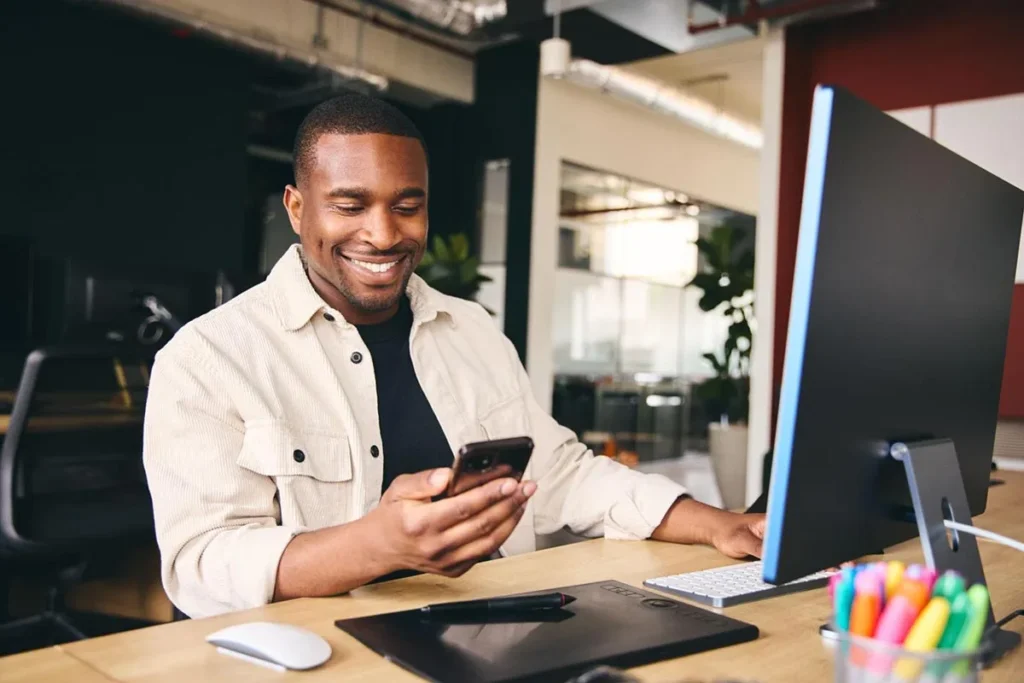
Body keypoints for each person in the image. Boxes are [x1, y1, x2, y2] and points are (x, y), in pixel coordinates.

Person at [143, 93, 766, 619]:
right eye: (350, 205)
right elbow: (199, 564)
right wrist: (377, 546)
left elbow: (560, 472)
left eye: (406, 206)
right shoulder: (208, 357)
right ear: (297, 207)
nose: (384, 235)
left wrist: (715, 523)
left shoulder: (470, 329)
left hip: (495, 626)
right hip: (327, 651)